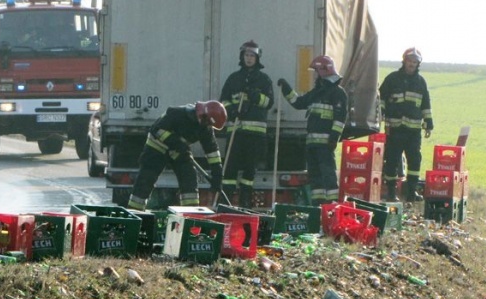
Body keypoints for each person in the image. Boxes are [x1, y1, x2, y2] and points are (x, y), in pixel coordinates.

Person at [127, 101, 227, 210]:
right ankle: (134, 211)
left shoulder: (205, 128)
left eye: (209, 124)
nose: (207, 125)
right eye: (207, 122)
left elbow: (212, 151)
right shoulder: (176, 113)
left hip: (178, 151)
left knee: (189, 178)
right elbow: (157, 130)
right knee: (146, 179)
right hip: (157, 147)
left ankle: (191, 214)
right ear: (202, 114)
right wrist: (176, 142)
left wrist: (217, 175)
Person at [277, 56, 347, 205]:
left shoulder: (337, 93)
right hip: (312, 144)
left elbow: (340, 118)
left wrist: (334, 138)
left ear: (325, 70)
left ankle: (333, 208)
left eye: (317, 71)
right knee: (315, 179)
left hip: (325, 145)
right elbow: (298, 102)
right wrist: (286, 89)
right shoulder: (317, 92)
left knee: (328, 177)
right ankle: (318, 207)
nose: (315, 74)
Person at [219, 40, 274, 208]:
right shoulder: (234, 79)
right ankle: (225, 200)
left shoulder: (264, 80)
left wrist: (255, 96)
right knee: (230, 169)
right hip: (236, 131)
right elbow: (223, 101)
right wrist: (232, 111)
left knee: (250, 170)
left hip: (255, 135)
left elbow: (269, 102)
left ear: (257, 58)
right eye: (246, 55)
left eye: (252, 55)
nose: (249, 58)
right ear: (242, 57)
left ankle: (245, 200)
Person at [379, 47, 434, 202]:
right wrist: (381, 113)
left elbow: (425, 104)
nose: (412, 64)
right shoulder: (392, 79)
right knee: (392, 159)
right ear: (404, 61)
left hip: (413, 130)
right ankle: (391, 192)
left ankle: (411, 192)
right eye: (410, 61)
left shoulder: (420, 82)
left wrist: (429, 123)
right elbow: (381, 98)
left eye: (415, 62)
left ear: (418, 64)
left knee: (415, 159)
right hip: (395, 128)